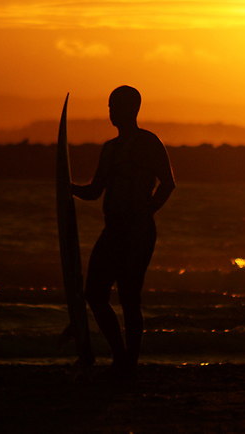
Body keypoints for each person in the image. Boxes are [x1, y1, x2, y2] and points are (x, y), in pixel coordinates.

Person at [71, 85, 175, 379]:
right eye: (109, 106)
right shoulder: (110, 149)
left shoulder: (149, 142)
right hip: (113, 228)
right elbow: (95, 191)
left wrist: (147, 211)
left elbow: (168, 183)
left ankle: (129, 363)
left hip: (139, 230)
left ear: (132, 109)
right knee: (94, 293)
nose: (111, 112)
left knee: (129, 297)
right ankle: (119, 355)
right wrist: (69, 189)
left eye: (115, 106)